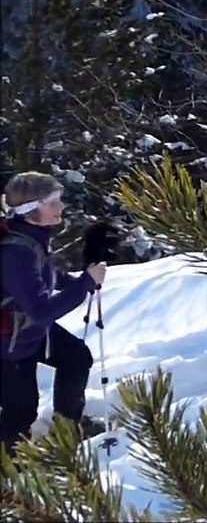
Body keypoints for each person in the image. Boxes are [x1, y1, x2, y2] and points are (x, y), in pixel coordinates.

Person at [0, 172, 109, 457]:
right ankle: (10, 472)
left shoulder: (28, 237)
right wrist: (85, 283)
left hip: (26, 332)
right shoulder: (15, 252)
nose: (61, 206)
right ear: (30, 210)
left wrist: (76, 282)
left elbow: (46, 276)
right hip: (8, 345)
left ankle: (66, 431)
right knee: (20, 411)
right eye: (53, 202)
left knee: (76, 358)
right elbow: (42, 311)